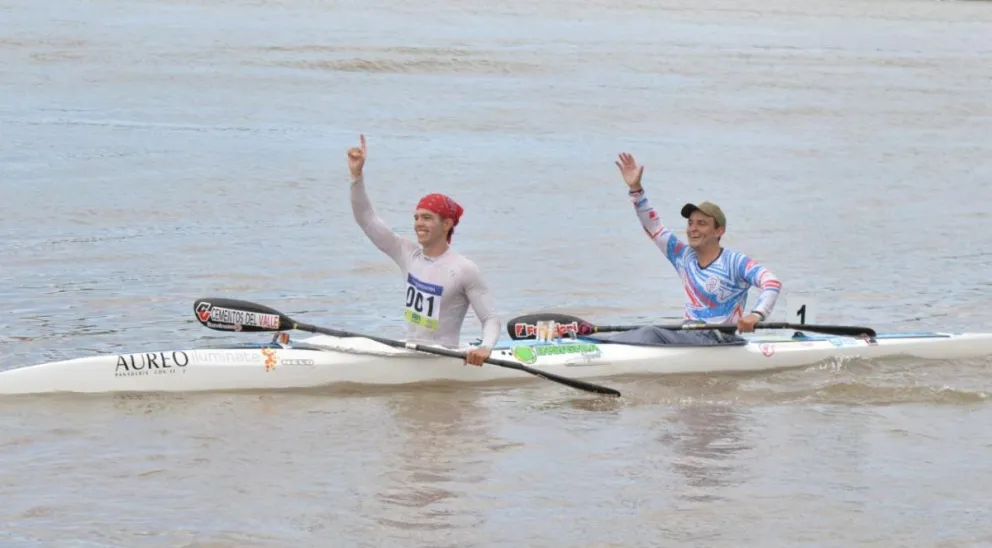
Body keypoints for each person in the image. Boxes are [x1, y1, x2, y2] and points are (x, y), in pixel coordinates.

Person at [346, 134, 500, 366]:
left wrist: (485, 348)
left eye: (427, 218)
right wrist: (356, 176)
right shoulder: (406, 254)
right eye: (416, 217)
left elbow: (490, 319)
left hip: (444, 358)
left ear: (446, 224)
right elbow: (366, 219)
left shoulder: (464, 269)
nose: (418, 223)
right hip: (409, 352)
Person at [614, 151, 782, 342]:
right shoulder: (683, 256)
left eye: (701, 224)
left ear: (718, 231)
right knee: (640, 332)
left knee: (649, 333)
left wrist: (757, 314)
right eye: (690, 223)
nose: (693, 229)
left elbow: (771, 282)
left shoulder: (735, 262)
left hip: (720, 339)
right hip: (691, 335)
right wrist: (636, 189)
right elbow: (654, 227)